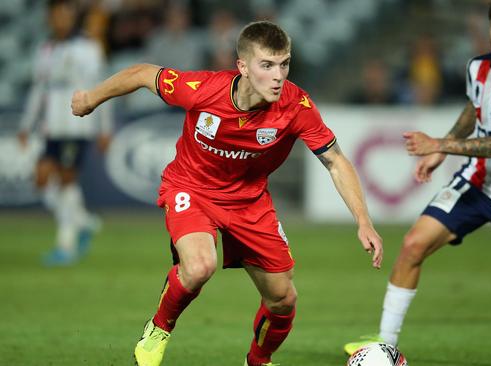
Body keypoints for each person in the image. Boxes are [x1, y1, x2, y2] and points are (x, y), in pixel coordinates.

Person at [71, 20, 383, 366]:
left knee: (283, 299)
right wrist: (90, 98)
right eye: (267, 65)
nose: (279, 76)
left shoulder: (296, 107)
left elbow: (336, 161)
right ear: (243, 67)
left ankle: (258, 361)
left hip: (249, 202)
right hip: (191, 187)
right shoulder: (202, 89)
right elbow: (144, 73)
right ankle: (159, 329)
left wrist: (363, 220)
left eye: (285, 64)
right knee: (201, 266)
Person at [344, 1, 491, 366]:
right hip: (476, 183)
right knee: (412, 245)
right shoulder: (477, 67)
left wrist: (440, 144)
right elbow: (475, 109)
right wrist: (446, 147)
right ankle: (385, 346)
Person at [18, 0, 112, 266]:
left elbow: (102, 87)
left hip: (77, 125)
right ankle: (86, 222)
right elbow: (39, 89)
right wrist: (27, 124)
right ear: (50, 18)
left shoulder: (88, 48)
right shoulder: (45, 49)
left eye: (66, 14)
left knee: (67, 182)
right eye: (57, 14)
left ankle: (66, 244)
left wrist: (105, 128)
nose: (62, 19)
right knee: (43, 181)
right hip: (51, 127)